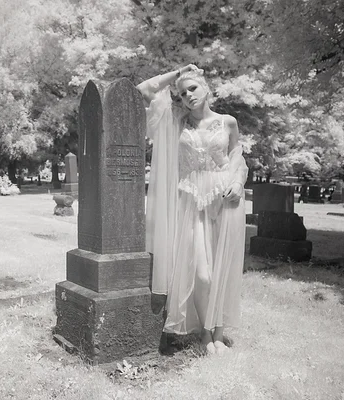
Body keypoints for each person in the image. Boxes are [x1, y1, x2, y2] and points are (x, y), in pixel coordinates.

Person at [137, 64, 248, 355]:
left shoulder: (228, 122)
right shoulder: (176, 121)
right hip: (191, 202)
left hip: (225, 200)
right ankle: (205, 333)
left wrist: (238, 182)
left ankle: (217, 335)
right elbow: (142, 92)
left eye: (193, 88)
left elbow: (238, 156)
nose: (188, 96)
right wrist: (176, 74)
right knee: (203, 275)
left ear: (207, 88)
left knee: (222, 270)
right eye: (182, 93)